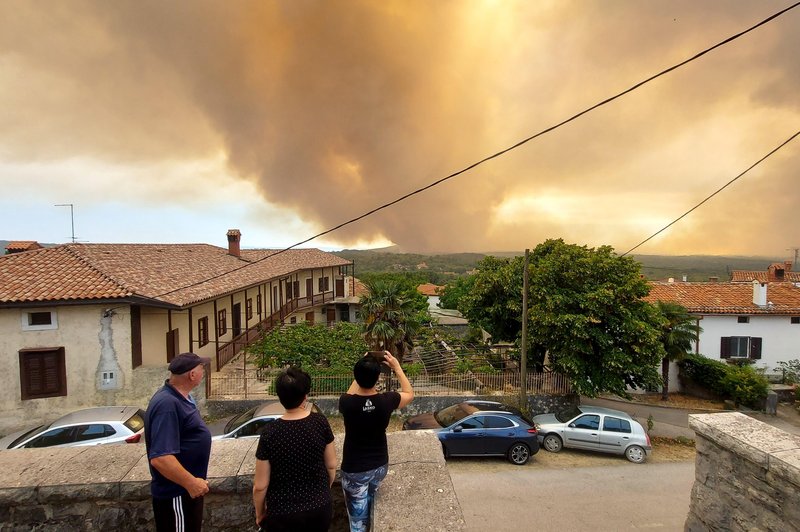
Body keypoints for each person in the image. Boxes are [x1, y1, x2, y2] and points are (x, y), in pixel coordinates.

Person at [252, 367, 337, 532]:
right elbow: (331, 465)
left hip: (282, 513)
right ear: (305, 396)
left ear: (279, 396)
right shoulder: (320, 423)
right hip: (319, 508)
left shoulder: (270, 432)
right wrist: (322, 491)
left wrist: (259, 512)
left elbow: (260, 485)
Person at [339, 351, 414, 532]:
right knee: (370, 498)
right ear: (378, 377)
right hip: (380, 467)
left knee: (358, 519)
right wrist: (396, 367)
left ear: (356, 376)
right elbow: (409, 393)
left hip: (355, 471)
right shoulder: (386, 400)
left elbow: (351, 392)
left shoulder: (347, 403)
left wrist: (362, 366)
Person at [145, 352, 212, 532]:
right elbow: (161, 458)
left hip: (185, 493)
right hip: (177, 493)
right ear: (192, 375)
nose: (203, 371)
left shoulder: (179, 398)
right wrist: (191, 483)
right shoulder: (167, 405)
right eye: (201, 368)